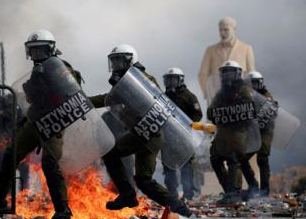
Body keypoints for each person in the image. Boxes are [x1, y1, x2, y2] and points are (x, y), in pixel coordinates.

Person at [0, 30, 82, 219]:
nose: (37, 55)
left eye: (41, 51)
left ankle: (63, 211)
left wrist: (50, 80)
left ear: (51, 49)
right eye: (33, 51)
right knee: (10, 154)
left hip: (55, 122)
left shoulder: (62, 67)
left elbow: (72, 93)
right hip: (36, 121)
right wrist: (26, 116)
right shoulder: (37, 71)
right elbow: (34, 100)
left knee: (50, 164)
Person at [90, 44, 192, 217]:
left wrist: (82, 101)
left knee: (110, 153)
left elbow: (108, 99)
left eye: (120, 60)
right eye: (114, 61)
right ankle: (181, 209)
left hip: (146, 132)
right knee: (144, 180)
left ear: (132, 60)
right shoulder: (133, 80)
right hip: (149, 133)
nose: (116, 65)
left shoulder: (140, 79)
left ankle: (127, 195)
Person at [207, 60, 257, 204]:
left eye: (230, 72)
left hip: (238, 132)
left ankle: (233, 193)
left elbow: (250, 109)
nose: (227, 76)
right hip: (222, 133)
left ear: (237, 74)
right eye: (224, 72)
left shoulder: (244, 90)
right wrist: (219, 111)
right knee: (215, 158)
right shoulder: (220, 93)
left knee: (233, 158)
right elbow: (211, 112)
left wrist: (234, 107)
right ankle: (229, 190)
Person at [162, 67, 202, 201]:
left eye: (172, 80)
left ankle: (188, 194)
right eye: (168, 80)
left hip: (184, 138)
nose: (169, 83)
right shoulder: (164, 97)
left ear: (180, 80)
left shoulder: (189, 97)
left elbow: (198, 115)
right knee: (168, 167)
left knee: (186, 167)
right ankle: (172, 194)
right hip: (168, 138)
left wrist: (185, 123)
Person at [198, 17, 255, 102]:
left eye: (226, 30)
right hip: (218, 99)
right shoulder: (210, 50)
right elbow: (202, 74)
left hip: (241, 98)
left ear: (234, 30)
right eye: (220, 30)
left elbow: (251, 74)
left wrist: (250, 94)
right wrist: (208, 94)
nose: (222, 33)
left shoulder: (246, 49)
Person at [240, 71, 276, 197]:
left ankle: (265, 191)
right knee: (242, 158)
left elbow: (271, 114)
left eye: (255, 83)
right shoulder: (245, 97)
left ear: (260, 83)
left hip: (266, 131)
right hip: (253, 132)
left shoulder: (267, 96)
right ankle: (253, 185)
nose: (253, 86)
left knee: (262, 158)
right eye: (251, 84)